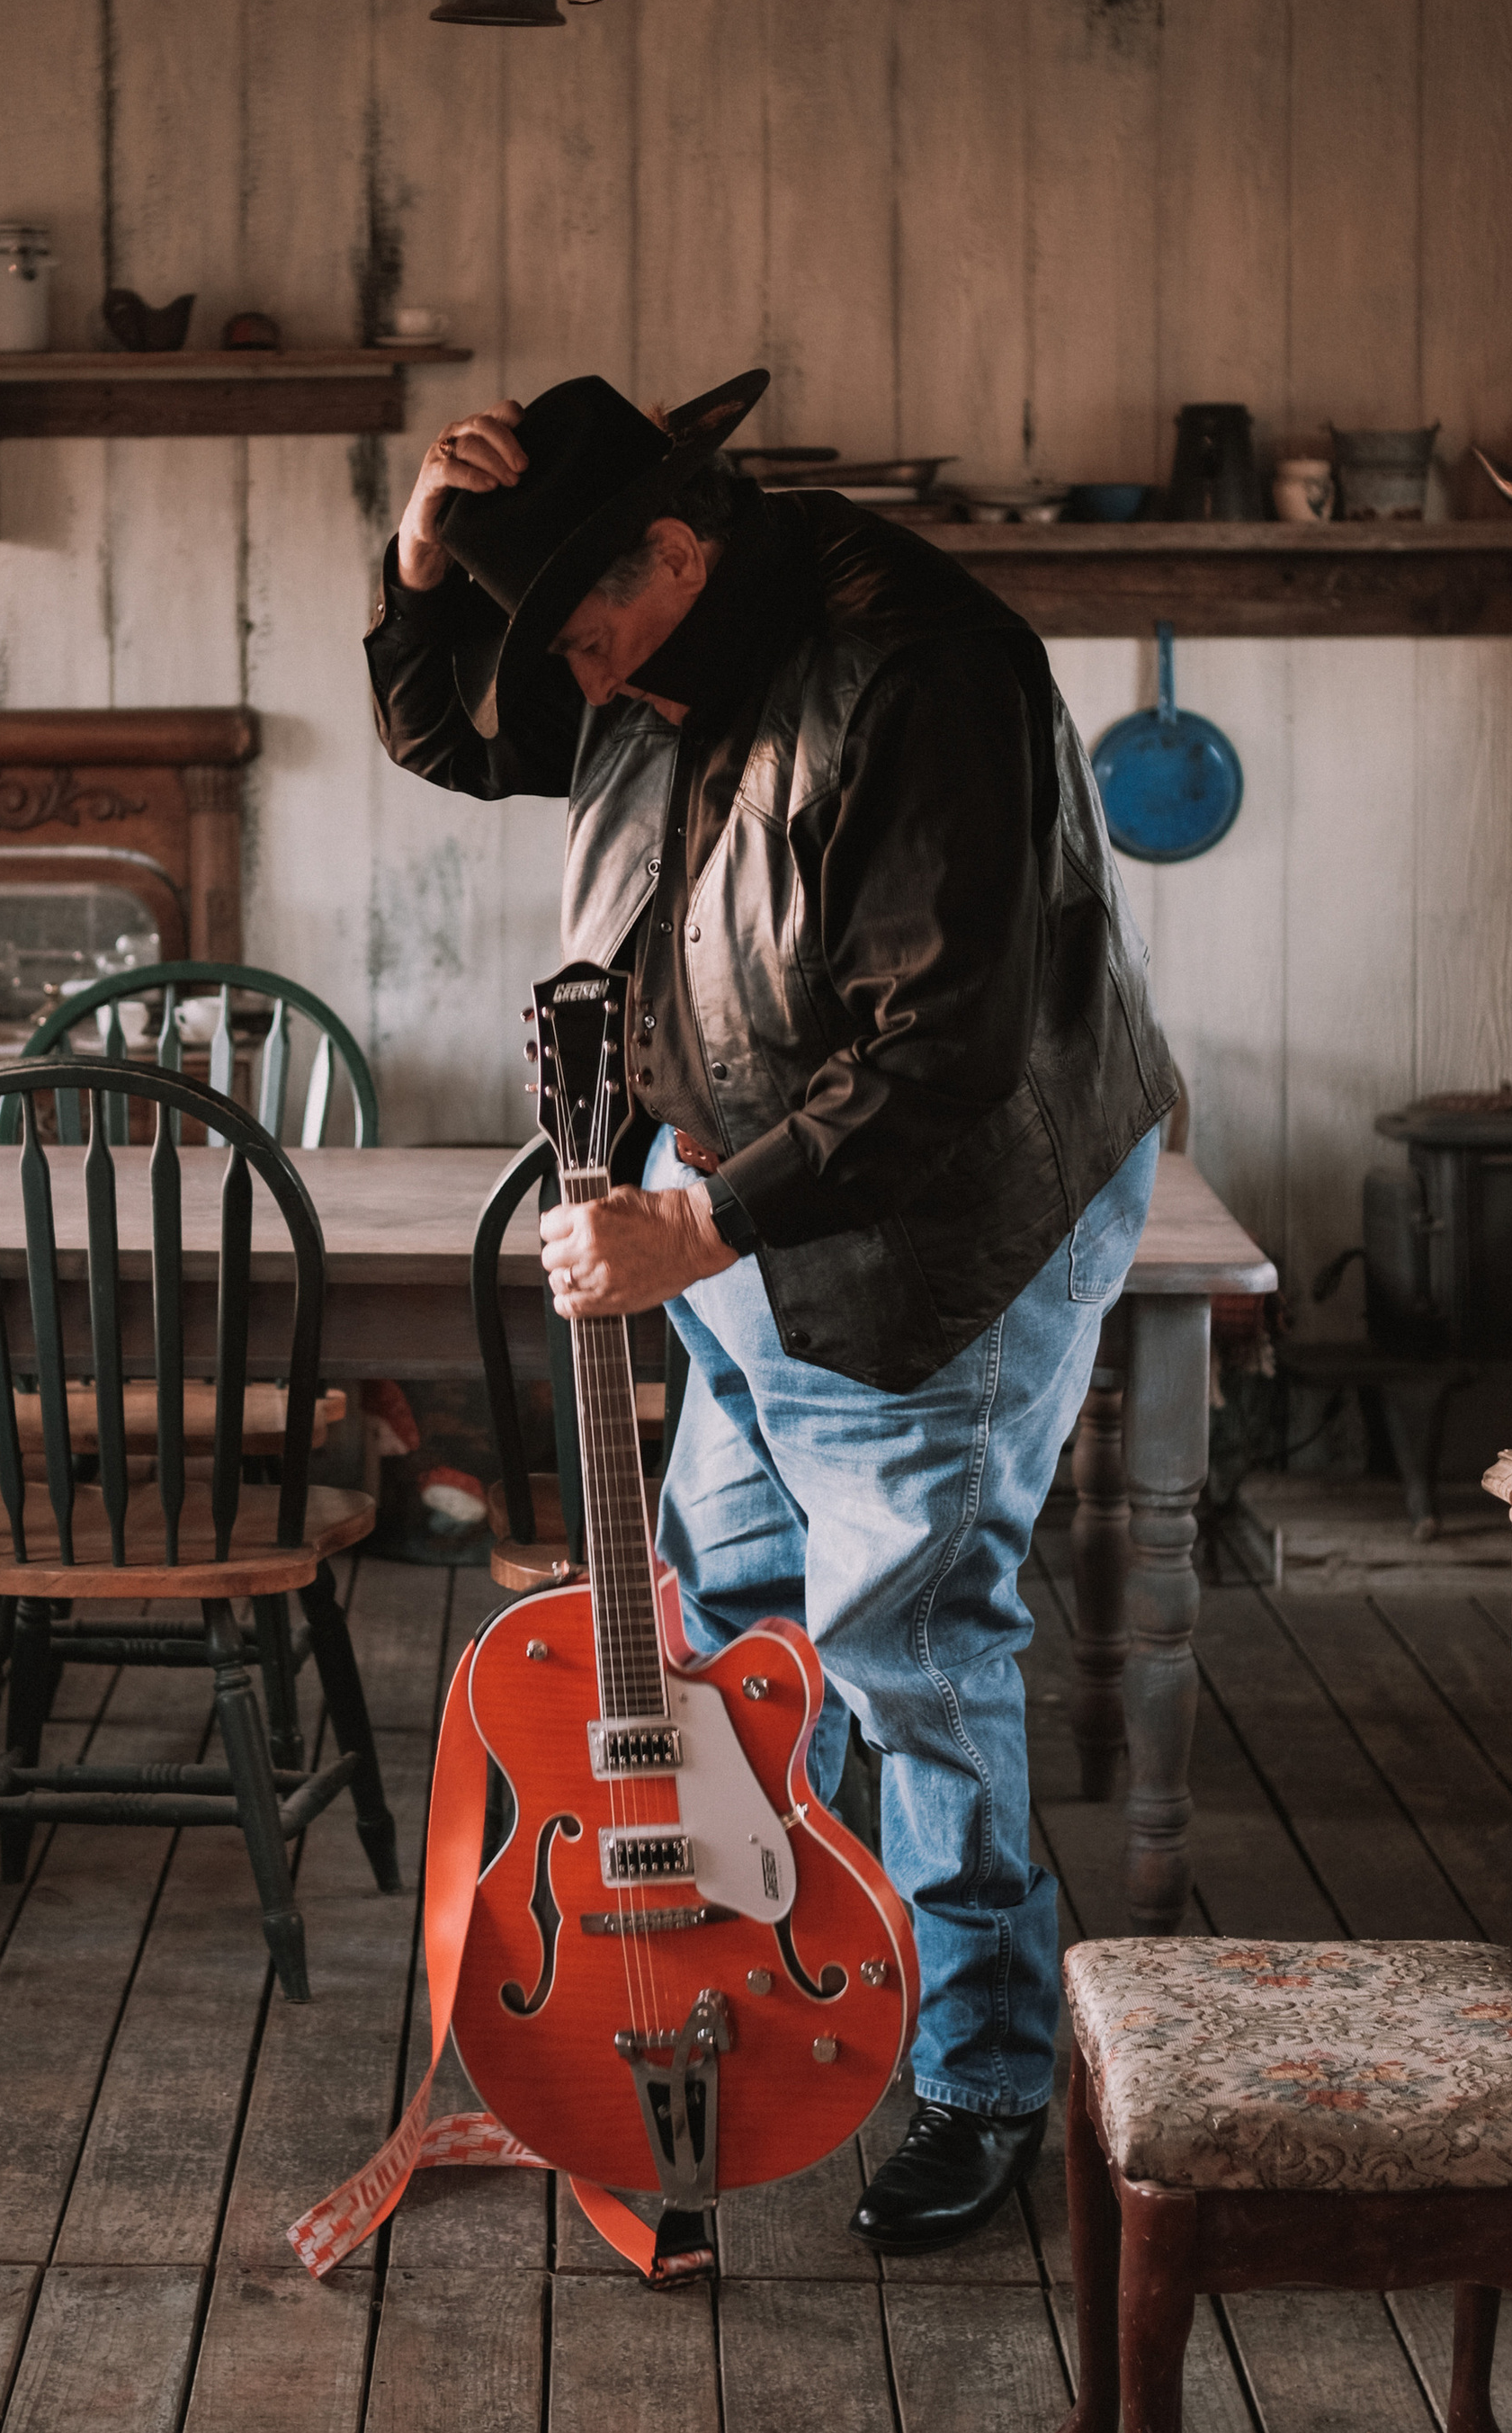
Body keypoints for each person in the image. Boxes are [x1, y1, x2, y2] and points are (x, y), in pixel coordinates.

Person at [363, 368, 1177, 2252]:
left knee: (903, 1640)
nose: (565, 690)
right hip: (718, 1214)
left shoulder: (923, 680)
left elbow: (946, 1047)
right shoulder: (649, 640)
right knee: (727, 1631)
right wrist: (419, 569)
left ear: (675, 547)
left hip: (930, 1221)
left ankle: (977, 2069)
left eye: (579, 635)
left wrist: (703, 1220)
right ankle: (745, 1995)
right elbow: (462, 734)